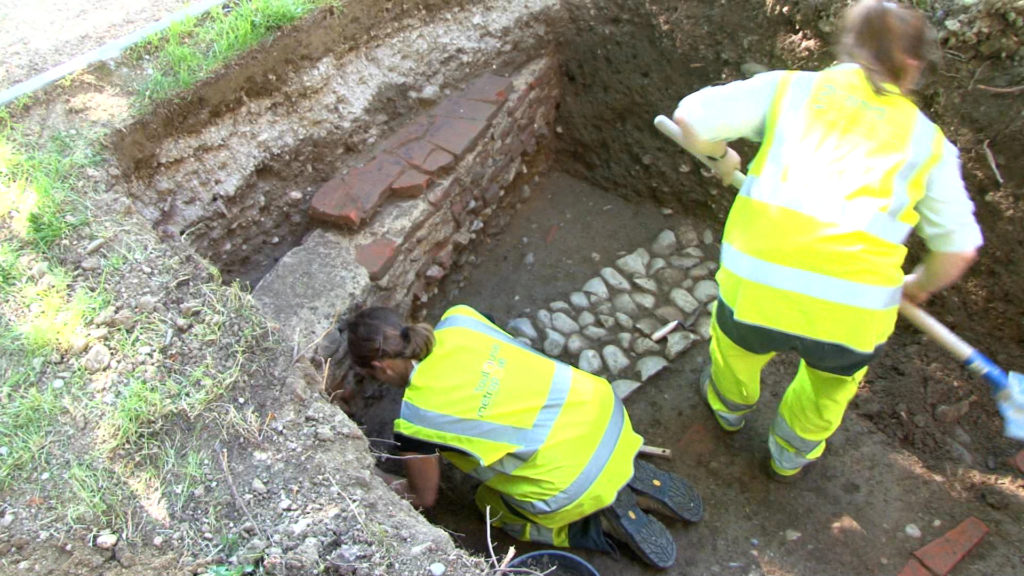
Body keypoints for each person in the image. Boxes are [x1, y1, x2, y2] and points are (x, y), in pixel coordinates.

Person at [670, 0, 983, 481]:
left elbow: (690, 118)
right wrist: (917, 285)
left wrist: (722, 158)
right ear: (915, 67)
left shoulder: (789, 90)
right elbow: (960, 248)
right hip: (853, 314)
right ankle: (790, 456)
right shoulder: (930, 145)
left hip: (757, 286)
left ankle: (728, 408)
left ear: (848, 46)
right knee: (825, 391)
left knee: (735, 352)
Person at [346, 304, 703, 568]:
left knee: (490, 505)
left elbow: (424, 497)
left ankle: (591, 527)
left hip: (572, 480)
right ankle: (620, 465)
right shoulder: (461, 319)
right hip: (607, 415)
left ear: (380, 367)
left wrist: (371, 481)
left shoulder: (416, 419)